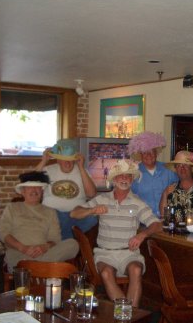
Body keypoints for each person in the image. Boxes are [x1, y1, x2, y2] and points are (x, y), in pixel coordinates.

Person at [71, 159, 162, 307]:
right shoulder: (102, 199)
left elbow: (157, 224)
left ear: (132, 180)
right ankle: (128, 314)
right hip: (105, 253)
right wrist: (92, 210)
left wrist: (142, 235)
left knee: (136, 269)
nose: (124, 178)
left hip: (129, 253)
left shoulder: (137, 202)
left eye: (128, 176)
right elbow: (74, 213)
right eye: (121, 175)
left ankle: (127, 314)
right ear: (114, 179)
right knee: (106, 273)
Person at [0, 171, 79, 271]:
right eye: (30, 187)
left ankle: (33, 268)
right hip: (19, 252)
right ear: (23, 192)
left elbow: (55, 239)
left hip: (44, 252)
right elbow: (3, 233)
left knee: (73, 244)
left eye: (37, 187)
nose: (34, 190)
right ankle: (43, 269)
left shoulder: (50, 212)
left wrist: (45, 247)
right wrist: (23, 248)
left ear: (42, 191)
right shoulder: (12, 208)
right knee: (12, 255)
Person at [35, 138, 97, 239]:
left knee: (92, 219)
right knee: (57, 216)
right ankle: (67, 239)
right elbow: (30, 184)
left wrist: (81, 167)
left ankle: (58, 240)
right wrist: (43, 161)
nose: (68, 163)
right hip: (53, 215)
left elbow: (91, 194)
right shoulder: (48, 170)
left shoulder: (83, 171)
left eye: (70, 160)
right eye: (64, 160)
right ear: (58, 159)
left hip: (75, 215)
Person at [128, 131, 178, 218]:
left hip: (166, 220)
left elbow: (180, 189)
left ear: (156, 153)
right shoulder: (133, 173)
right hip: (143, 221)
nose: (148, 155)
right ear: (140, 155)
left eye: (152, 151)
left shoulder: (168, 170)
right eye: (145, 152)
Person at [159, 151, 193, 224]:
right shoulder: (171, 190)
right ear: (176, 169)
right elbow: (164, 217)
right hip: (177, 234)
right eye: (179, 165)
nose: (182, 168)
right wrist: (164, 194)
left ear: (192, 168)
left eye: (186, 165)